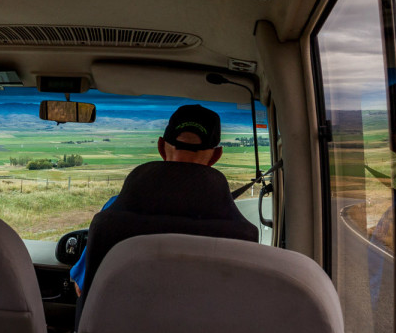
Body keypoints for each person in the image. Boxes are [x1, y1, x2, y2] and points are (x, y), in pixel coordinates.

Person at [69, 104, 258, 305]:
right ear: (216, 156)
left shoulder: (115, 211)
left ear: (161, 147)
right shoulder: (239, 232)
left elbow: (82, 288)